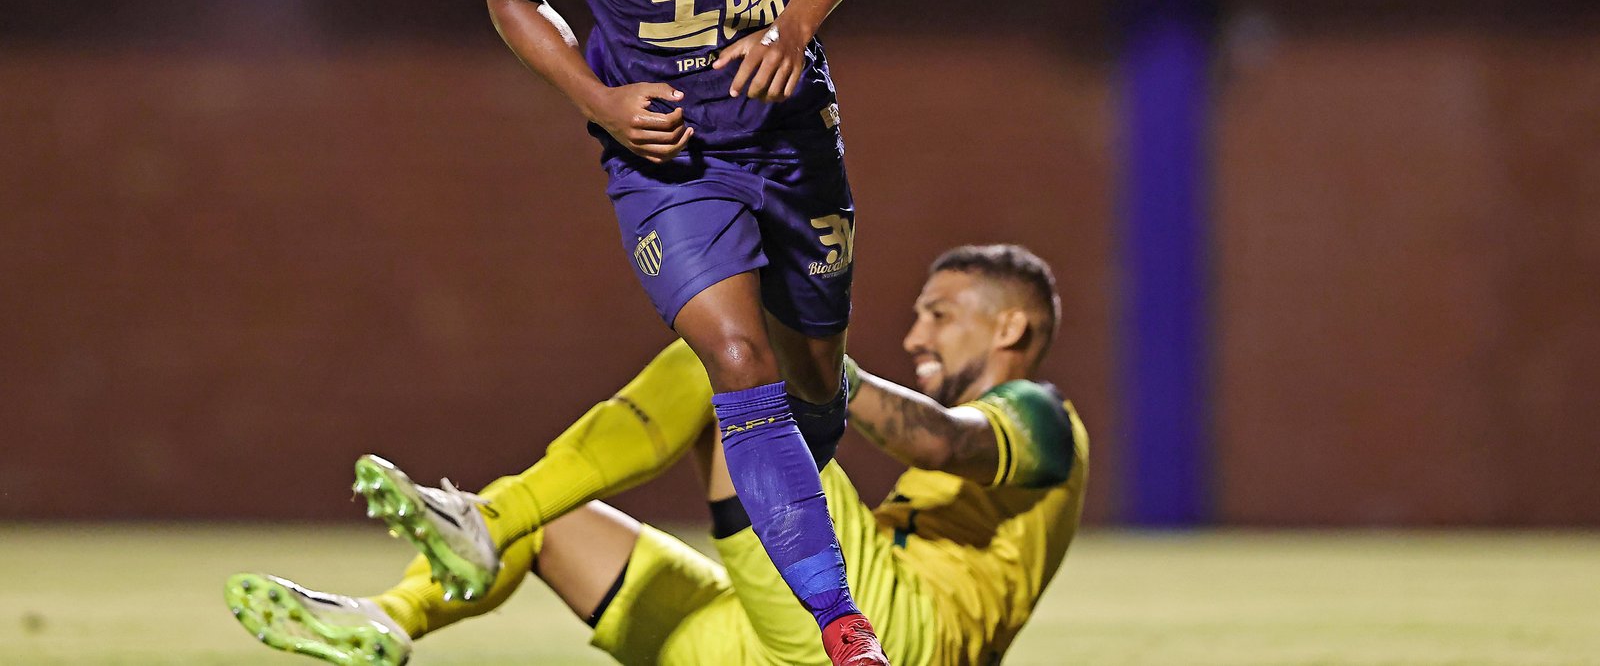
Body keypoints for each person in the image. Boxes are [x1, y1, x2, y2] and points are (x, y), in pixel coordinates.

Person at [476, 0, 888, 660]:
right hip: (666, 159)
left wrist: (795, 27)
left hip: (789, 132)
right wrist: (598, 99)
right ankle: (842, 624)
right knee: (734, 352)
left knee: (811, 374)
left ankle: (776, 561)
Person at [225, 245, 1090, 666]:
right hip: (784, 638)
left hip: (896, 638)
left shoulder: (1043, 418)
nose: (916, 333)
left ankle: (489, 517)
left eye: (939, 312)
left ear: (1010, 325)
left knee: (731, 359)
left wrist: (822, 365)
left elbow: (941, 438)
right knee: (558, 521)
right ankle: (390, 617)